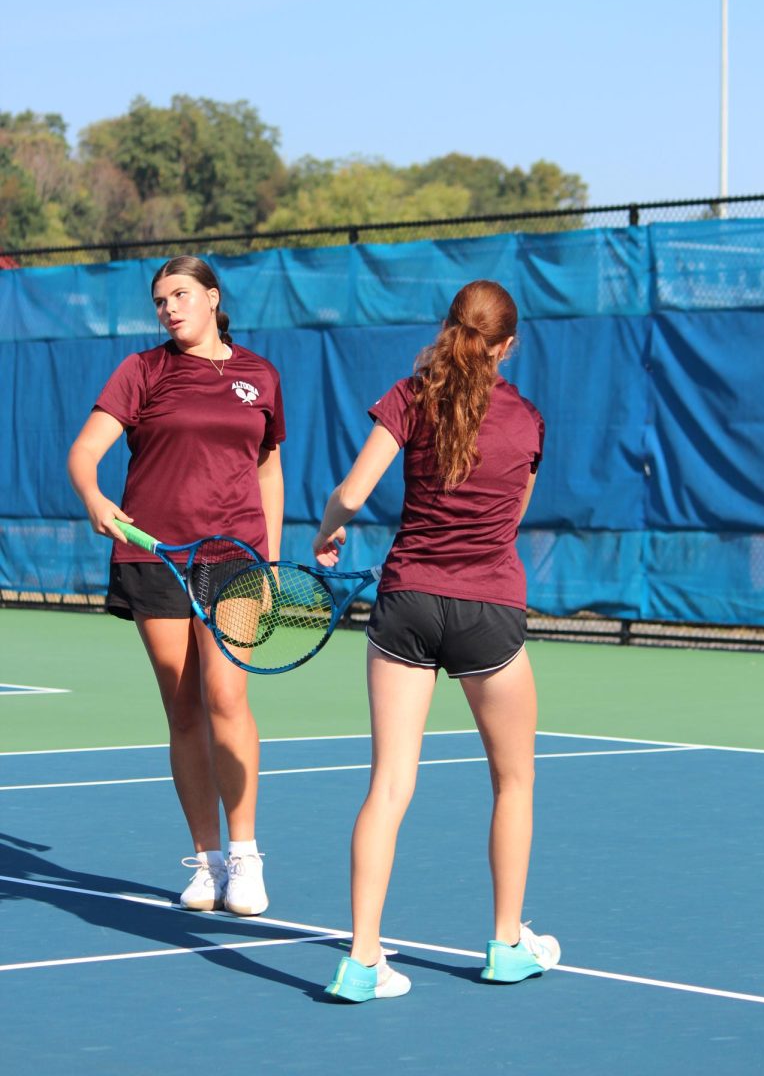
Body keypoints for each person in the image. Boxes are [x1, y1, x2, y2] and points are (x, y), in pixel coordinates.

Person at [312, 279, 560, 1002]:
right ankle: (508, 943)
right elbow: (510, 522)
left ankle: (362, 960)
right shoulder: (529, 422)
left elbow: (353, 495)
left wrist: (327, 534)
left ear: (449, 328)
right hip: (488, 611)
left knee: (388, 785)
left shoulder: (408, 395)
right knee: (514, 780)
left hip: (408, 605)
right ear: (507, 346)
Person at [67, 255, 284, 916]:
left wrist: (271, 560)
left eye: (181, 295)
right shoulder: (143, 372)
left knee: (227, 696)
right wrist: (94, 499)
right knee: (184, 707)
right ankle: (208, 861)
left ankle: (246, 857)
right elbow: (84, 452)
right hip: (154, 557)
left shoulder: (260, 376)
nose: (169, 308)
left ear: (212, 298)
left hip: (237, 558)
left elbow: (268, 467)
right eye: (161, 300)